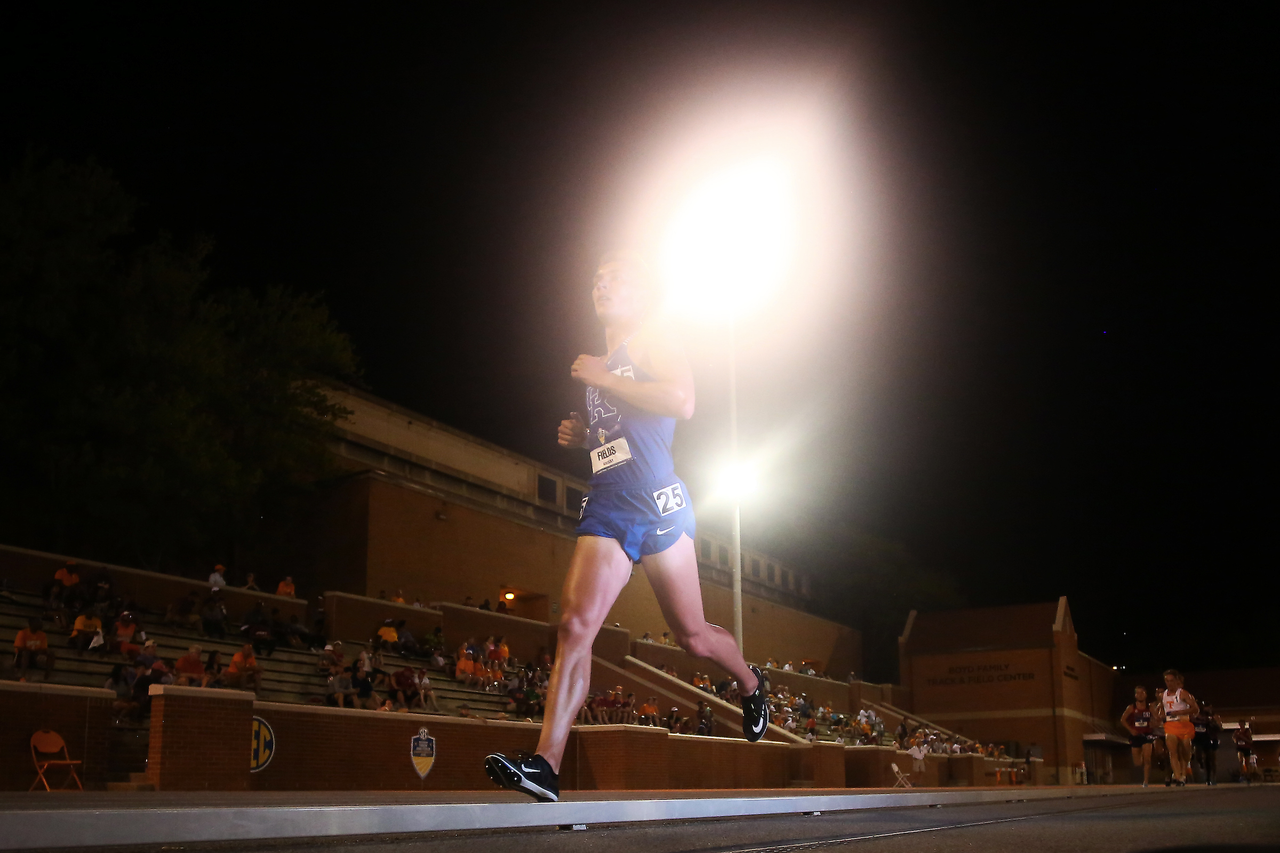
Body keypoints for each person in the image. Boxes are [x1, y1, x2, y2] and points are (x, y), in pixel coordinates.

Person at [484, 253, 769, 803]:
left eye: (616, 278)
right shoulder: (607, 361)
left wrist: (604, 377)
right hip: (610, 502)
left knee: (692, 637)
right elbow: (623, 433)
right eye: (597, 278)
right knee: (574, 626)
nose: (602, 283)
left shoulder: (654, 338)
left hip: (659, 503)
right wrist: (583, 435)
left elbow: (681, 401)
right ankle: (545, 765)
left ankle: (752, 684)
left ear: (641, 294)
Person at [1155, 669, 1200, 786]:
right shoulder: (1163, 695)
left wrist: (1179, 712)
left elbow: (1195, 709)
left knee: (1185, 750)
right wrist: (1160, 715)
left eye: (1171, 681)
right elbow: (1160, 709)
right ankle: (1179, 777)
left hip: (1184, 725)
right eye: (1167, 681)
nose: (1169, 683)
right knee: (1172, 752)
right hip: (1170, 726)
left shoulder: (1183, 694)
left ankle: (1183, 772)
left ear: (1176, 681)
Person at [1120, 685, 1156, 786]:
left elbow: (1157, 719)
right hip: (1135, 736)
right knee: (1137, 763)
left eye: (1142, 693)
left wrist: (1154, 721)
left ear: (1146, 695)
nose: (1140, 695)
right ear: (1135, 695)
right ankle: (1142, 773)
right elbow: (1122, 720)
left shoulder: (1150, 707)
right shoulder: (1131, 708)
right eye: (1138, 693)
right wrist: (1130, 730)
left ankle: (1146, 781)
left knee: (1147, 759)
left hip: (1147, 735)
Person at [1192, 702, 1221, 785]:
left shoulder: (1209, 717)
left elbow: (1218, 728)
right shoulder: (1193, 715)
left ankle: (1209, 777)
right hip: (1197, 738)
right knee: (1198, 755)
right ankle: (1200, 763)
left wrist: (1213, 721)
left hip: (1207, 738)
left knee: (1209, 758)